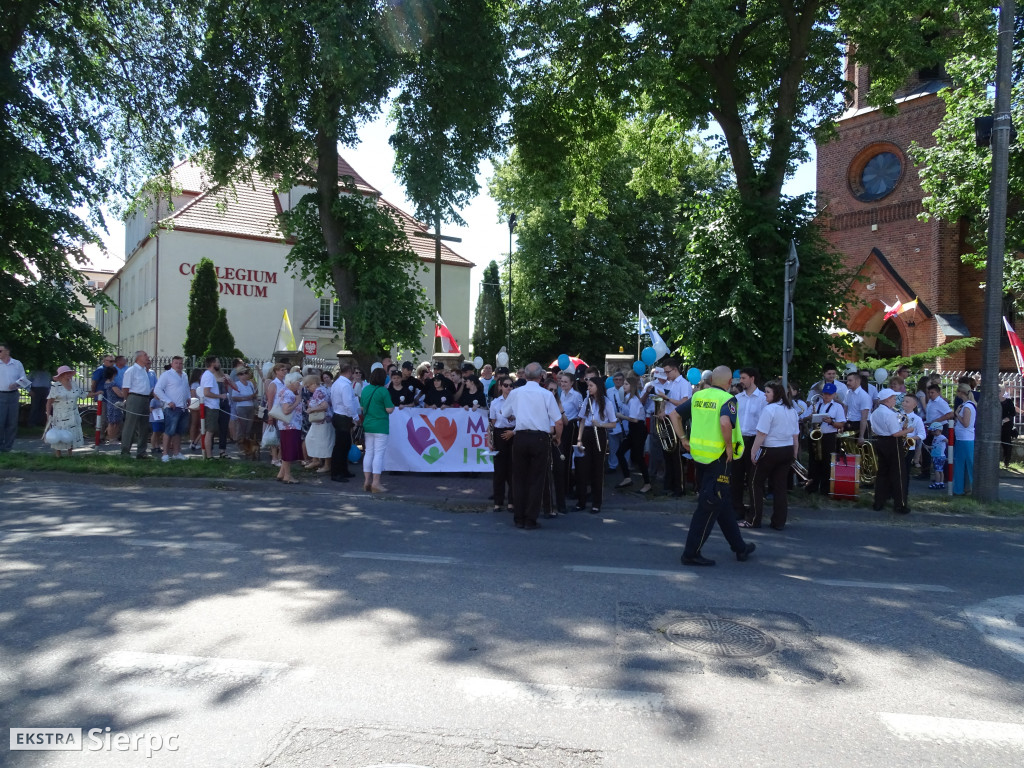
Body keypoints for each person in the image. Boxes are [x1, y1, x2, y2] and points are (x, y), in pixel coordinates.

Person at [670, 365, 755, 566]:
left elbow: (674, 415)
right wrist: (728, 447)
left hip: (700, 458)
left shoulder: (698, 396)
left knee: (721, 502)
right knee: (708, 506)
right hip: (719, 459)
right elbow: (725, 423)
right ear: (728, 383)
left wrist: (683, 438)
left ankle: (740, 548)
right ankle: (690, 553)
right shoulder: (727, 399)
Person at [502, 362, 563, 529]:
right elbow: (558, 421)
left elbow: (505, 413)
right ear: (540, 376)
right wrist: (558, 438)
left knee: (519, 478)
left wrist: (518, 415)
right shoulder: (546, 394)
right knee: (536, 480)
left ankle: (518, 517)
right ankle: (530, 519)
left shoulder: (516, 393)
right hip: (539, 439)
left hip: (521, 437)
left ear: (525, 376)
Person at [746, 380, 800, 530]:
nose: (765, 394)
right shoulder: (791, 410)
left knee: (754, 483)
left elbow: (761, 433)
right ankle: (778, 522)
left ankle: (754, 519)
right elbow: (795, 436)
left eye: (768, 392)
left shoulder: (770, 410)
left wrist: (753, 451)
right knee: (780, 487)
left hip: (770, 450)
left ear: (776, 394)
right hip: (787, 450)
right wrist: (794, 454)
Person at [573, 375, 617, 514]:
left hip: (599, 433)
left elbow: (613, 423)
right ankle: (581, 501)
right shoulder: (587, 401)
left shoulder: (607, 403)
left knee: (597, 469)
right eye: (588, 386)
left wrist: (601, 424)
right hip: (586, 433)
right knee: (582, 469)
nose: (589, 388)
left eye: (591, 386)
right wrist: (579, 439)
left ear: (598, 387)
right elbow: (581, 421)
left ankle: (596, 503)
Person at [869, 388, 913, 514]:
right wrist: (908, 430)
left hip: (879, 441)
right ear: (887, 399)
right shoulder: (890, 414)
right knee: (898, 473)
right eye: (893, 398)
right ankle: (900, 504)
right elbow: (895, 433)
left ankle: (879, 502)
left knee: (882, 473)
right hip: (892, 443)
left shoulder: (875, 413)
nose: (895, 400)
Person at [731, 367, 765, 518]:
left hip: (754, 440)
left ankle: (754, 510)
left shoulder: (763, 398)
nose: (741, 381)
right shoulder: (738, 398)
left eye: (744, 378)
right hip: (739, 441)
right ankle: (737, 509)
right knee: (736, 476)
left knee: (753, 477)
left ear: (752, 378)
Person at [805, 382, 846, 495]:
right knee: (813, 461)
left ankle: (825, 489)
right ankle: (811, 486)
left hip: (829, 437)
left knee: (827, 462)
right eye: (825, 394)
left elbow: (841, 424)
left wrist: (831, 422)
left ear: (834, 395)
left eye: (829, 394)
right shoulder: (816, 404)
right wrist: (811, 416)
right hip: (815, 435)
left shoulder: (838, 407)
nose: (826, 396)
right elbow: (805, 418)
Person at [360, 366, 394, 492]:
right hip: (381, 425)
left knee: (369, 452)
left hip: (368, 424)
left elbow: (362, 408)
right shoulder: (383, 391)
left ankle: (366, 481)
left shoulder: (366, 389)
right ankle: (376, 483)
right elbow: (389, 409)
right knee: (378, 454)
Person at [615, 375, 651, 493]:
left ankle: (647, 483)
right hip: (633, 429)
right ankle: (627, 478)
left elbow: (634, 419)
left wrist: (621, 416)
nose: (623, 386)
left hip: (638, 429)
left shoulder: (634, 400)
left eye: (626, 384)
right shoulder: (627, 398)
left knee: (638, 457)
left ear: (632, 386)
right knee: (620, 452)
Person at [154, 355, 191, 461]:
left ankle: (176, 452)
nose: (179, 365)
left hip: (183, 407)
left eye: (180, 363)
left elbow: (186, 387)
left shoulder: (184, 375)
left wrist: (188, 397)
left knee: (178, 432)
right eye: (176, 363)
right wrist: (168, 401)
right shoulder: (167, 375)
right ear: (172, 364)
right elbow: (158, 389)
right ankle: (165, 454)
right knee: (169, 431)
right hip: (172, 408)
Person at [45, 365, 85, 457]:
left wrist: (96, 393)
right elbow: (49, 402)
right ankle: (58, 455)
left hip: (72, 414)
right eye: (66, 373)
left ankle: (70, 454)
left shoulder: (74, 384)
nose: (69, 375)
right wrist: (48, 415)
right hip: (60, 415)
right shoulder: (56, 386)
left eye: (69, 373)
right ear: (61, 375)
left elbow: (83, 394)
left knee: (70, 433)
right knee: (59, 434)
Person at [120, 350, 154, 459]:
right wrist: (127, 400)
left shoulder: (144, 370)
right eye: (145, 355)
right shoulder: (132, 370)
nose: (147, 357)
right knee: (130, 425)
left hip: (145, 399)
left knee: (144, 426)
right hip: (134, 397)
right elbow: (125, 388)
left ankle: (141, 452)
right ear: (138, 358)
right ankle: (125, 451)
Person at [488, 375, 515, 512]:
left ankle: (512, 501)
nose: (508, 388)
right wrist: (490, 440)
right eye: (506, 385)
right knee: (499, 470)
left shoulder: (517, 402)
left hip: (514, 434)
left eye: (511, 385)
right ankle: (498, 502)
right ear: (500, 387)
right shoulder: (495, 403)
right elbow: (492, 424)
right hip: (499, 434)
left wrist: (513, 432)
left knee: (513, 469)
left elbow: (522, 420)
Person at [330, 362, 359, 482]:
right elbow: (348, 404)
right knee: (341, 446)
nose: (353, 375)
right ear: (349, 372)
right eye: (353, 372)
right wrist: (355, 417)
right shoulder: (345, 385)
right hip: (343, 417)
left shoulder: (337, 383)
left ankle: (343, 470)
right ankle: (337, 472)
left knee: (344, 445)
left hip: (338, 415)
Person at [274, 372, 304, 483]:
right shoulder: (288, 393)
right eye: (298, 382)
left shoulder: (286, 391)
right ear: (293, 382)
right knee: (288, 451)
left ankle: (281, 473)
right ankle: (287, 476)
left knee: (286, 449)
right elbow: (286, 410)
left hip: (289, 426)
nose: (300, 384)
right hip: (289, 426)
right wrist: (297, 401)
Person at [302, 374, 334, 474]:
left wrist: (312, 409)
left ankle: (326, 465)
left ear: (314, 384)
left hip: (322, 421)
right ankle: (316, 460)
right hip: (322, 421)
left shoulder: (318, 391)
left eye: (308, 386)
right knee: (312, 440)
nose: (307, 389)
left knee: (324, 442)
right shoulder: (323, 389)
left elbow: (324, 406)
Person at [199, 356, 228, 460]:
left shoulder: (209, 375)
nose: (219, 364)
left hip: (213, 406)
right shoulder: (209, 376)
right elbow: (206, 393)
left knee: (211, 431)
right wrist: (220, 396)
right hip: (211, 406)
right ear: (212, 364)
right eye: (217, 362)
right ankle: (209, 456)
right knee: (210, 432)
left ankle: (209, 455)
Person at [952, 383, 977, 495]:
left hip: (965, 439)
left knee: (963, 465)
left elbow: (966, 423)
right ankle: (960, 488)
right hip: (963, 438)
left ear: (961, 393)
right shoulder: (967, 405)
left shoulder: (967, 407)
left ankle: (963, 489)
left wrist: (957, 414)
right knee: (962, 464)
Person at [230, 368, 257, 445]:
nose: (244, 375)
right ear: (238, 376)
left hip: (250, 406)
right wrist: (246, 398)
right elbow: (234, 397)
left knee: (249, 426)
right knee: (242, 426)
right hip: (241, 407)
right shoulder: (237, 384)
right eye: (241, 374)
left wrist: (253, 396)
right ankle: (240, 442)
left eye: (245, 373)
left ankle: (247, 442)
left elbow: (254, 393)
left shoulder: (250, 383)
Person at [844, 371, 871, 445]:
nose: (847, 382)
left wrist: (861, 436)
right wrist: (842, 424)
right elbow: (845, 409)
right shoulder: (848, 392)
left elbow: (864, 418)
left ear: (858, 381)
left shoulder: (864, 396)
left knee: (860, 450)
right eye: (847, 380)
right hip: (849, 423)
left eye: (850, 380)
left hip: (860, 425)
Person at [1001, 389, 1021, 468]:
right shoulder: (994, 401)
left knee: (1006, 443)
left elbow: (1013, 413)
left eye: (1000, 391)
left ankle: (1006, 461)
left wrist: (1006, 419)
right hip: (995, 425)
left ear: (1003, 392)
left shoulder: (1008, 401)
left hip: (1006, 425)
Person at [929, 422, 949, 489]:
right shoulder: (935, 437)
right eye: (932, 431)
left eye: (935, 431)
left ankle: (937, 483)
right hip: (935, 455)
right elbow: (934, 446)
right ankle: (941, 482)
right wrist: (928, 447)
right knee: (940, 470)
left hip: (939, 456)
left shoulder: (941, 437)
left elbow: (947, 441)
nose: (933, 433)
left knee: (937, 470)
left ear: (939, 430)